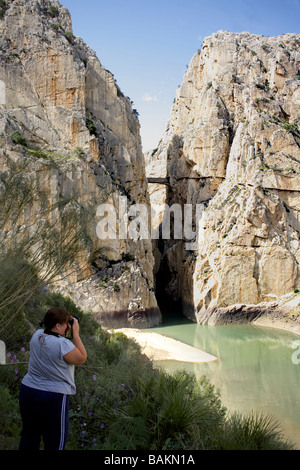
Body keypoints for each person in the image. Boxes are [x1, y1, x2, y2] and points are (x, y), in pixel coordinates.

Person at [18, 306, 87, 451]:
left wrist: (66, 329)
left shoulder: (37, 335)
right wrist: (75, 333)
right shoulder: (63, 345)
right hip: (52, 396)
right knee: (55, 443)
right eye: (65, 323)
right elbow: (82, 358)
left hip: (28, 391)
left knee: (29, 436)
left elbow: (51, 338)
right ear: (58, 325)